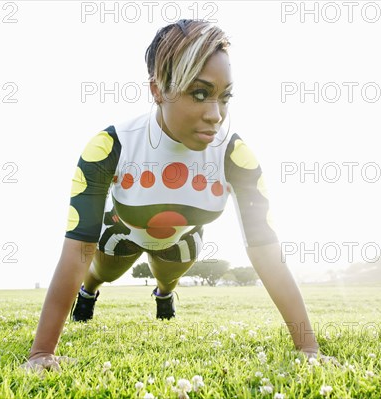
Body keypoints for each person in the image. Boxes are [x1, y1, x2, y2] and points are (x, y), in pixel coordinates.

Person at [23, 19, 330, 371]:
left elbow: (266, 251)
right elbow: (78, 247)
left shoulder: (235, 155)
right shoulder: (110, 145)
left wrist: (308, 349)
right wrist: (41, 352)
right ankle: (89, 291)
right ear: (157, 90)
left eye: (224, 96)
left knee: (172, 267)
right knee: (103, 270)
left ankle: (164, 293)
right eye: (199, 93)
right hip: (122, 229)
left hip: (180, 238)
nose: (215, 115)